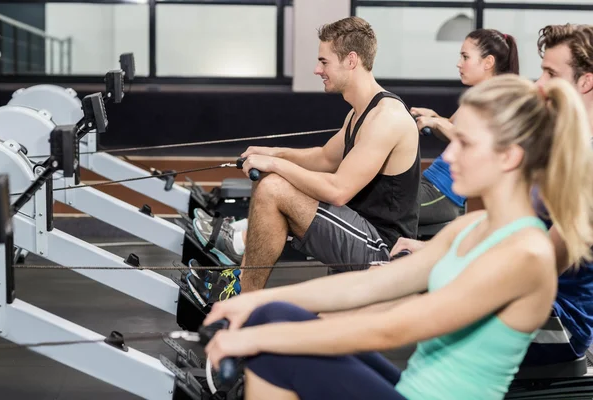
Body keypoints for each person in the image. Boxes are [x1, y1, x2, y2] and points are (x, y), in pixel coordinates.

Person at [202, 74, 593, 400]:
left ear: (509, 157)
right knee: (273, 315)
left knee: (274, 353)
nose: (448, 155)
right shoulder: (470, 228)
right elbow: (373, 284)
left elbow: (396, 327)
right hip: (410, 389)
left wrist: (254, 341)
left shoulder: (525, 254)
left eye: (465, 143)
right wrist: (251, 303)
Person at [394, 23, 593, 367]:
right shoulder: (559, 143)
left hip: (558, 319)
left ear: (585, 82)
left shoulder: (586, 164)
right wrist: (438, 249)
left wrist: (451, 258)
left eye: (550, 73)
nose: (538, 84)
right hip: (524, 294)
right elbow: (512, 225)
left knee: (430, 315)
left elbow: (541, 261)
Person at [187, 16, 421, 305]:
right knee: (273, 186)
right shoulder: (359, 113)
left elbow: (338, 190)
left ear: (351, 60)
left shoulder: (386, 118)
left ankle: (241, 300)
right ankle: (242, 282)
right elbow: (323, 158)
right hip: (359, 230)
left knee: (274, 187)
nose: (316, 69)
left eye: (324, 62)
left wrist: (274, 165)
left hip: (383, 250)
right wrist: (271, 152)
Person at [412, 28, 519, 226]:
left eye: (465, 57)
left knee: (381, 204)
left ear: (488, 62)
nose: (459, 63)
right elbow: (451, 128)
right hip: (430, 183)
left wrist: (436, 122)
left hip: (441, 195)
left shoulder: (496, 98)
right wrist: (433, 117)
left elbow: (473, 141)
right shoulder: (477, 96)